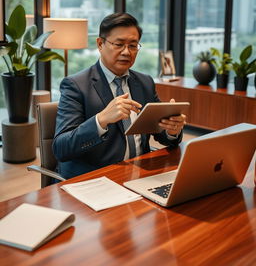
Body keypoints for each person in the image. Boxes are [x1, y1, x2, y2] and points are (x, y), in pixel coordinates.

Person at [53, 13, 186, 179]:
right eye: (119, 44)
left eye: (133, 45)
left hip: (139, 173)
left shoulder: (144, 82)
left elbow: (162, 135)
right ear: (100, 44)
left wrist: (172, 129)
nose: (126, 52)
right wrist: (101, 120)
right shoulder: (76, 85)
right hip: (97, 178)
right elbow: (61, 148)